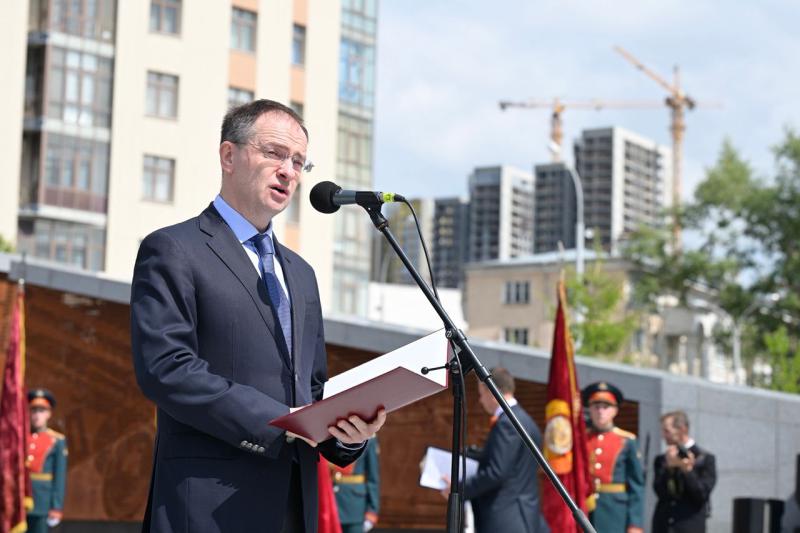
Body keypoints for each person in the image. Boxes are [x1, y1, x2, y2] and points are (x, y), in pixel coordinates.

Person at [130, 99, 386, 533]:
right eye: (275, 153)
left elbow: (313, 389)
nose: (289, 171)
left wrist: (348, 433)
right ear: (229, 156)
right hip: (209, 507)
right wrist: (279, 422)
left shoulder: (301, 274)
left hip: (294, 506)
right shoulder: (174, 249)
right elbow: (166, 368)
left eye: (299, 161)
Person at [443, 367, 549, 532]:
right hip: (525, 516)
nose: (480, 400)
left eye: (481, 393)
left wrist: (459, 489)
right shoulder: (527, 421)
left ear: (491, 391)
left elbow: (497, 472)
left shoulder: (507, 423)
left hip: (507, 518)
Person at [582, 381, 644, 533]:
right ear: (590, 409)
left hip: (615, 513)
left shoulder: (627, 440)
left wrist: (635, 524)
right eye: (596, 407)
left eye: (606, 407)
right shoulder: (581, 439)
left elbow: (636, 486)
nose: (600, 411)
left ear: (615, 411)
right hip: (584, 510)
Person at [652, 411, 716, 533]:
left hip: (689, 526)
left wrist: (687, 470)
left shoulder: (705, 458)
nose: (663, 436)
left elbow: (701, 494)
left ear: (682, 429)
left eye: (667, 431)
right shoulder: (661, 460)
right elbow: (660, 492)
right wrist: (669, 468)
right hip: (663, 526)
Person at [26, 388, 68, 533]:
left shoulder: (57, 440)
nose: (37, 415)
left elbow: (60, 476)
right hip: (20, 502)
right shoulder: (21, 438)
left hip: (42, 501)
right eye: (34, 410)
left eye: (42, 410)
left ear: (49, 414)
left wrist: (56, 506)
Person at [330, 437, 380, 533]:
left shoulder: (369, 437)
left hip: (354, 506)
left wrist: (372, 510)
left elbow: (372, 478)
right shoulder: (326, 434)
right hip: (330, 501)